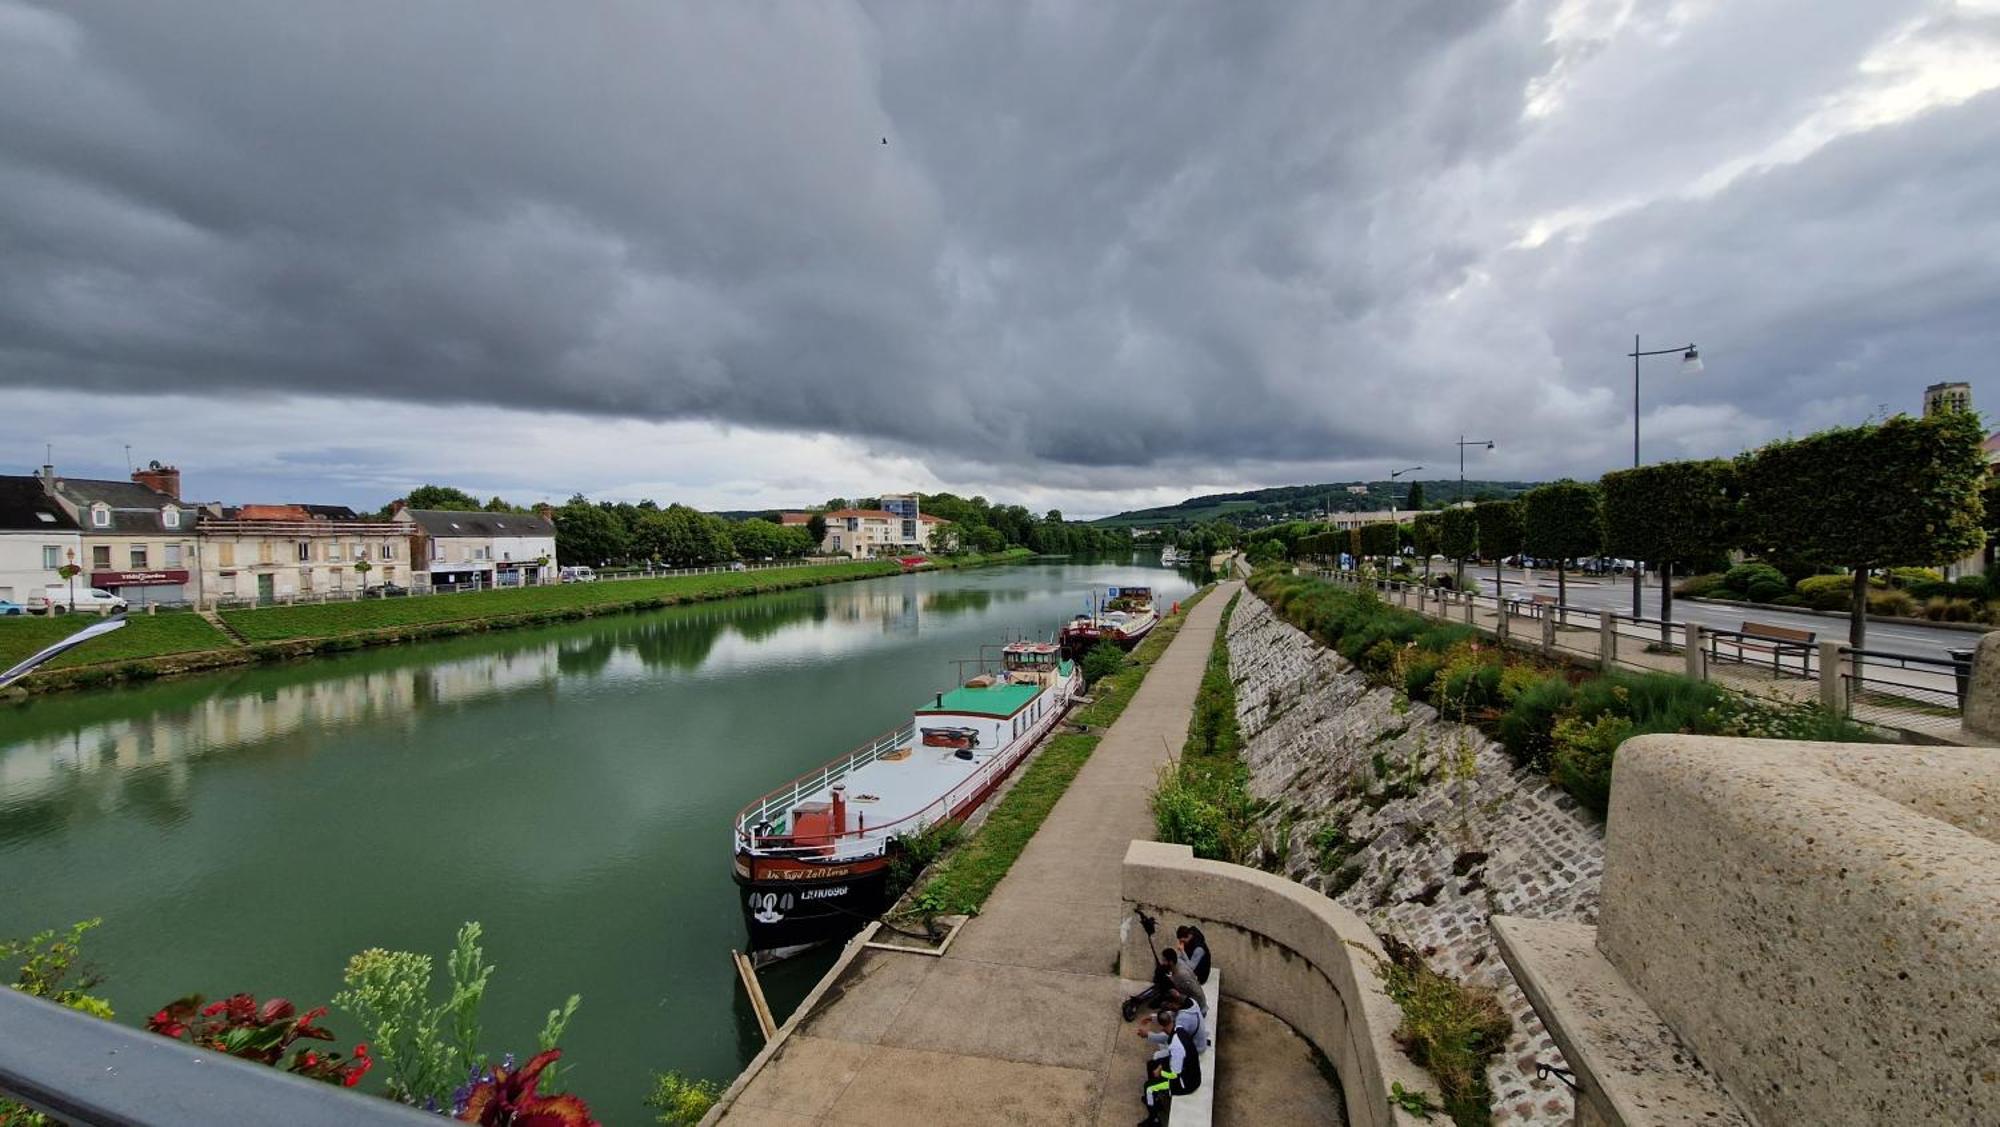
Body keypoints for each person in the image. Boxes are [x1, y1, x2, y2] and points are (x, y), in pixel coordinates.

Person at [1137, 990, 1203, 1097]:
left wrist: (1161, 1072)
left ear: (1176, 1003)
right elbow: (1169, 1019)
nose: (1169, 1006)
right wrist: (1154, 1018)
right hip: (1187, 1057)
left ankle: (1155, 1103)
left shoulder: (1182, 1025)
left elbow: (1174, 1074)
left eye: (1170, 1004)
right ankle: (1156, 1088)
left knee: (1149, 1084)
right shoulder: (1184, 1013)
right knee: (1153, 1063)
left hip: (1185, 1077)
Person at [1123, 946, 1202, 1021]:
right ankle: (1157, 997)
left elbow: (1197, 993)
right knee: (1161, 978)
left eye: (1164, 960)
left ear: (1170, 962)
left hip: (1193, 1004)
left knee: (1164, 1005)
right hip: (1180, 989)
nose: (1162, 962)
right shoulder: (1176, 963)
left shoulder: (1181, 975)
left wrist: (1179, 996)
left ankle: (1162, 1000)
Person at [1138, 1056, 1172, 1127]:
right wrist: (1160, 1066)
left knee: (1148, 1087)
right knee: (1151, 1064)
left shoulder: (1178, 1048)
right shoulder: (1178, 1046)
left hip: (1175, 1081)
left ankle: (1154, 1118)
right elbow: (1170, 1057)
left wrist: (1161, 1072)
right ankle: (1153, 1099)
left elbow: (1175, 1075)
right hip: (1173, 1067)